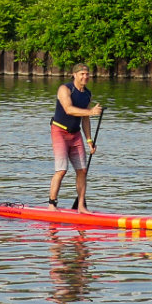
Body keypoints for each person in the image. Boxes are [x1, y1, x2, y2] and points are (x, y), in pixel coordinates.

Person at [49, 63, 102, 213]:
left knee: (82, 170)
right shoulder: (65, 89)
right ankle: (52, 204)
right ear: (74, 75)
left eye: (87, 74)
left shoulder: (87, 94)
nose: (85, 77)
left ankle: (81, 206)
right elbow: (68, 109)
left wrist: (89, 140)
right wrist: (91, 112)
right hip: (59, 131)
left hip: (75, 133)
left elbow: (85, 118)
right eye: (82, 74)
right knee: (61, 170)